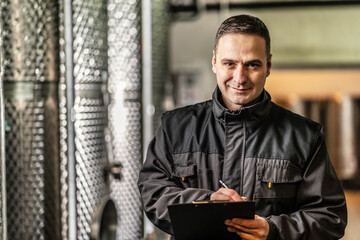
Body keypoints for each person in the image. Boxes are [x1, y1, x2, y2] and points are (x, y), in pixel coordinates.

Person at [138, 14, 347, 240]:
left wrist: (273, 230)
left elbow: (330, 217)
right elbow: (153, 191)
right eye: (230, 64)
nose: (240, 78)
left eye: (252, 65)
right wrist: (205, 202)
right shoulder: (176, 127)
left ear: (268, 65)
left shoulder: (305, 136)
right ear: (214, 62)